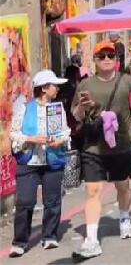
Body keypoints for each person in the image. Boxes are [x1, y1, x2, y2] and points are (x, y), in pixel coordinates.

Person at [70, 42, 131, 260]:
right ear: (95, 60)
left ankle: (124, 217)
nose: (107, 58)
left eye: (111, 55)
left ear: (116, 59)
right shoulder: (85, 84)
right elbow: (77, 116)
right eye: (101, 56)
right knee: (92, 191)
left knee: (123, 186)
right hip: (93, 146)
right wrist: (83, 107)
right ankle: (91, 239)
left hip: (121, 145)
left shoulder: (127, 81)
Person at [9, 70, 71, 257]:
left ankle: (49, 236)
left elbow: (65, 130)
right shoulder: (24, 108)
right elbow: (13, 134)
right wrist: (32, 138)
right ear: (44, 88)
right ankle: (20, 241)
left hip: (52, 160)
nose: (58, 89)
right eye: (54, 85)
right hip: (29, 161)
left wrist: (61, 140)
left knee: (52, 201)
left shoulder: (58, 108)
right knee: (25, 202)